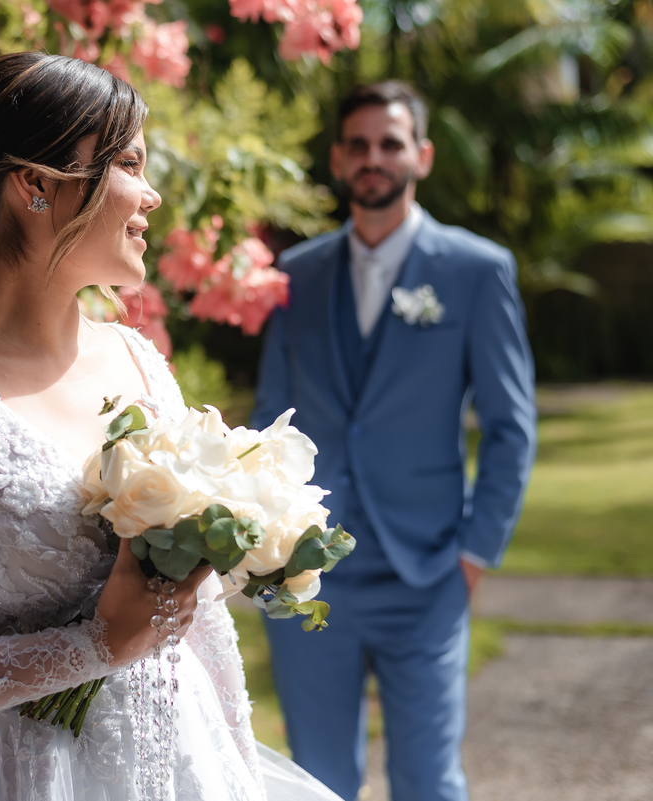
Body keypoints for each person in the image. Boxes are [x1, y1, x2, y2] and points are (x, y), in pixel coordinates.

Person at [0, 53, 342, 801]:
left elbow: (199, 624)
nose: (152, 195)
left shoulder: (138, 360)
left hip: (179, 762)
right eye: (130, 164)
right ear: (35, 184)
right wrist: (93, 646)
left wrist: (237, 770)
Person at [251, 80, 538, 801]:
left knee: (428, 780)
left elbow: (510, 426)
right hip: (308, 569)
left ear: (422, 156)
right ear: (338, 159)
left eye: (390, 143)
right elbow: (269, 419)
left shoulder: (476, 271)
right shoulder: (296, 274)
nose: (373, 158)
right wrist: (265, 549)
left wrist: (475, 554)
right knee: (315, 780)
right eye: (358, 145)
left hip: (429, 570)